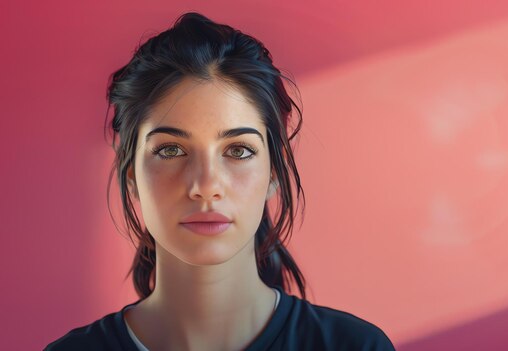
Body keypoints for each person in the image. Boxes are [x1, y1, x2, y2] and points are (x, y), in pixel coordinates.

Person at [45, 12, 395, 351]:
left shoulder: (356, 347)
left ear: (274, 171)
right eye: (170, 150)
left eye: (238, 151)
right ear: (131, 172)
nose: (205, 184)